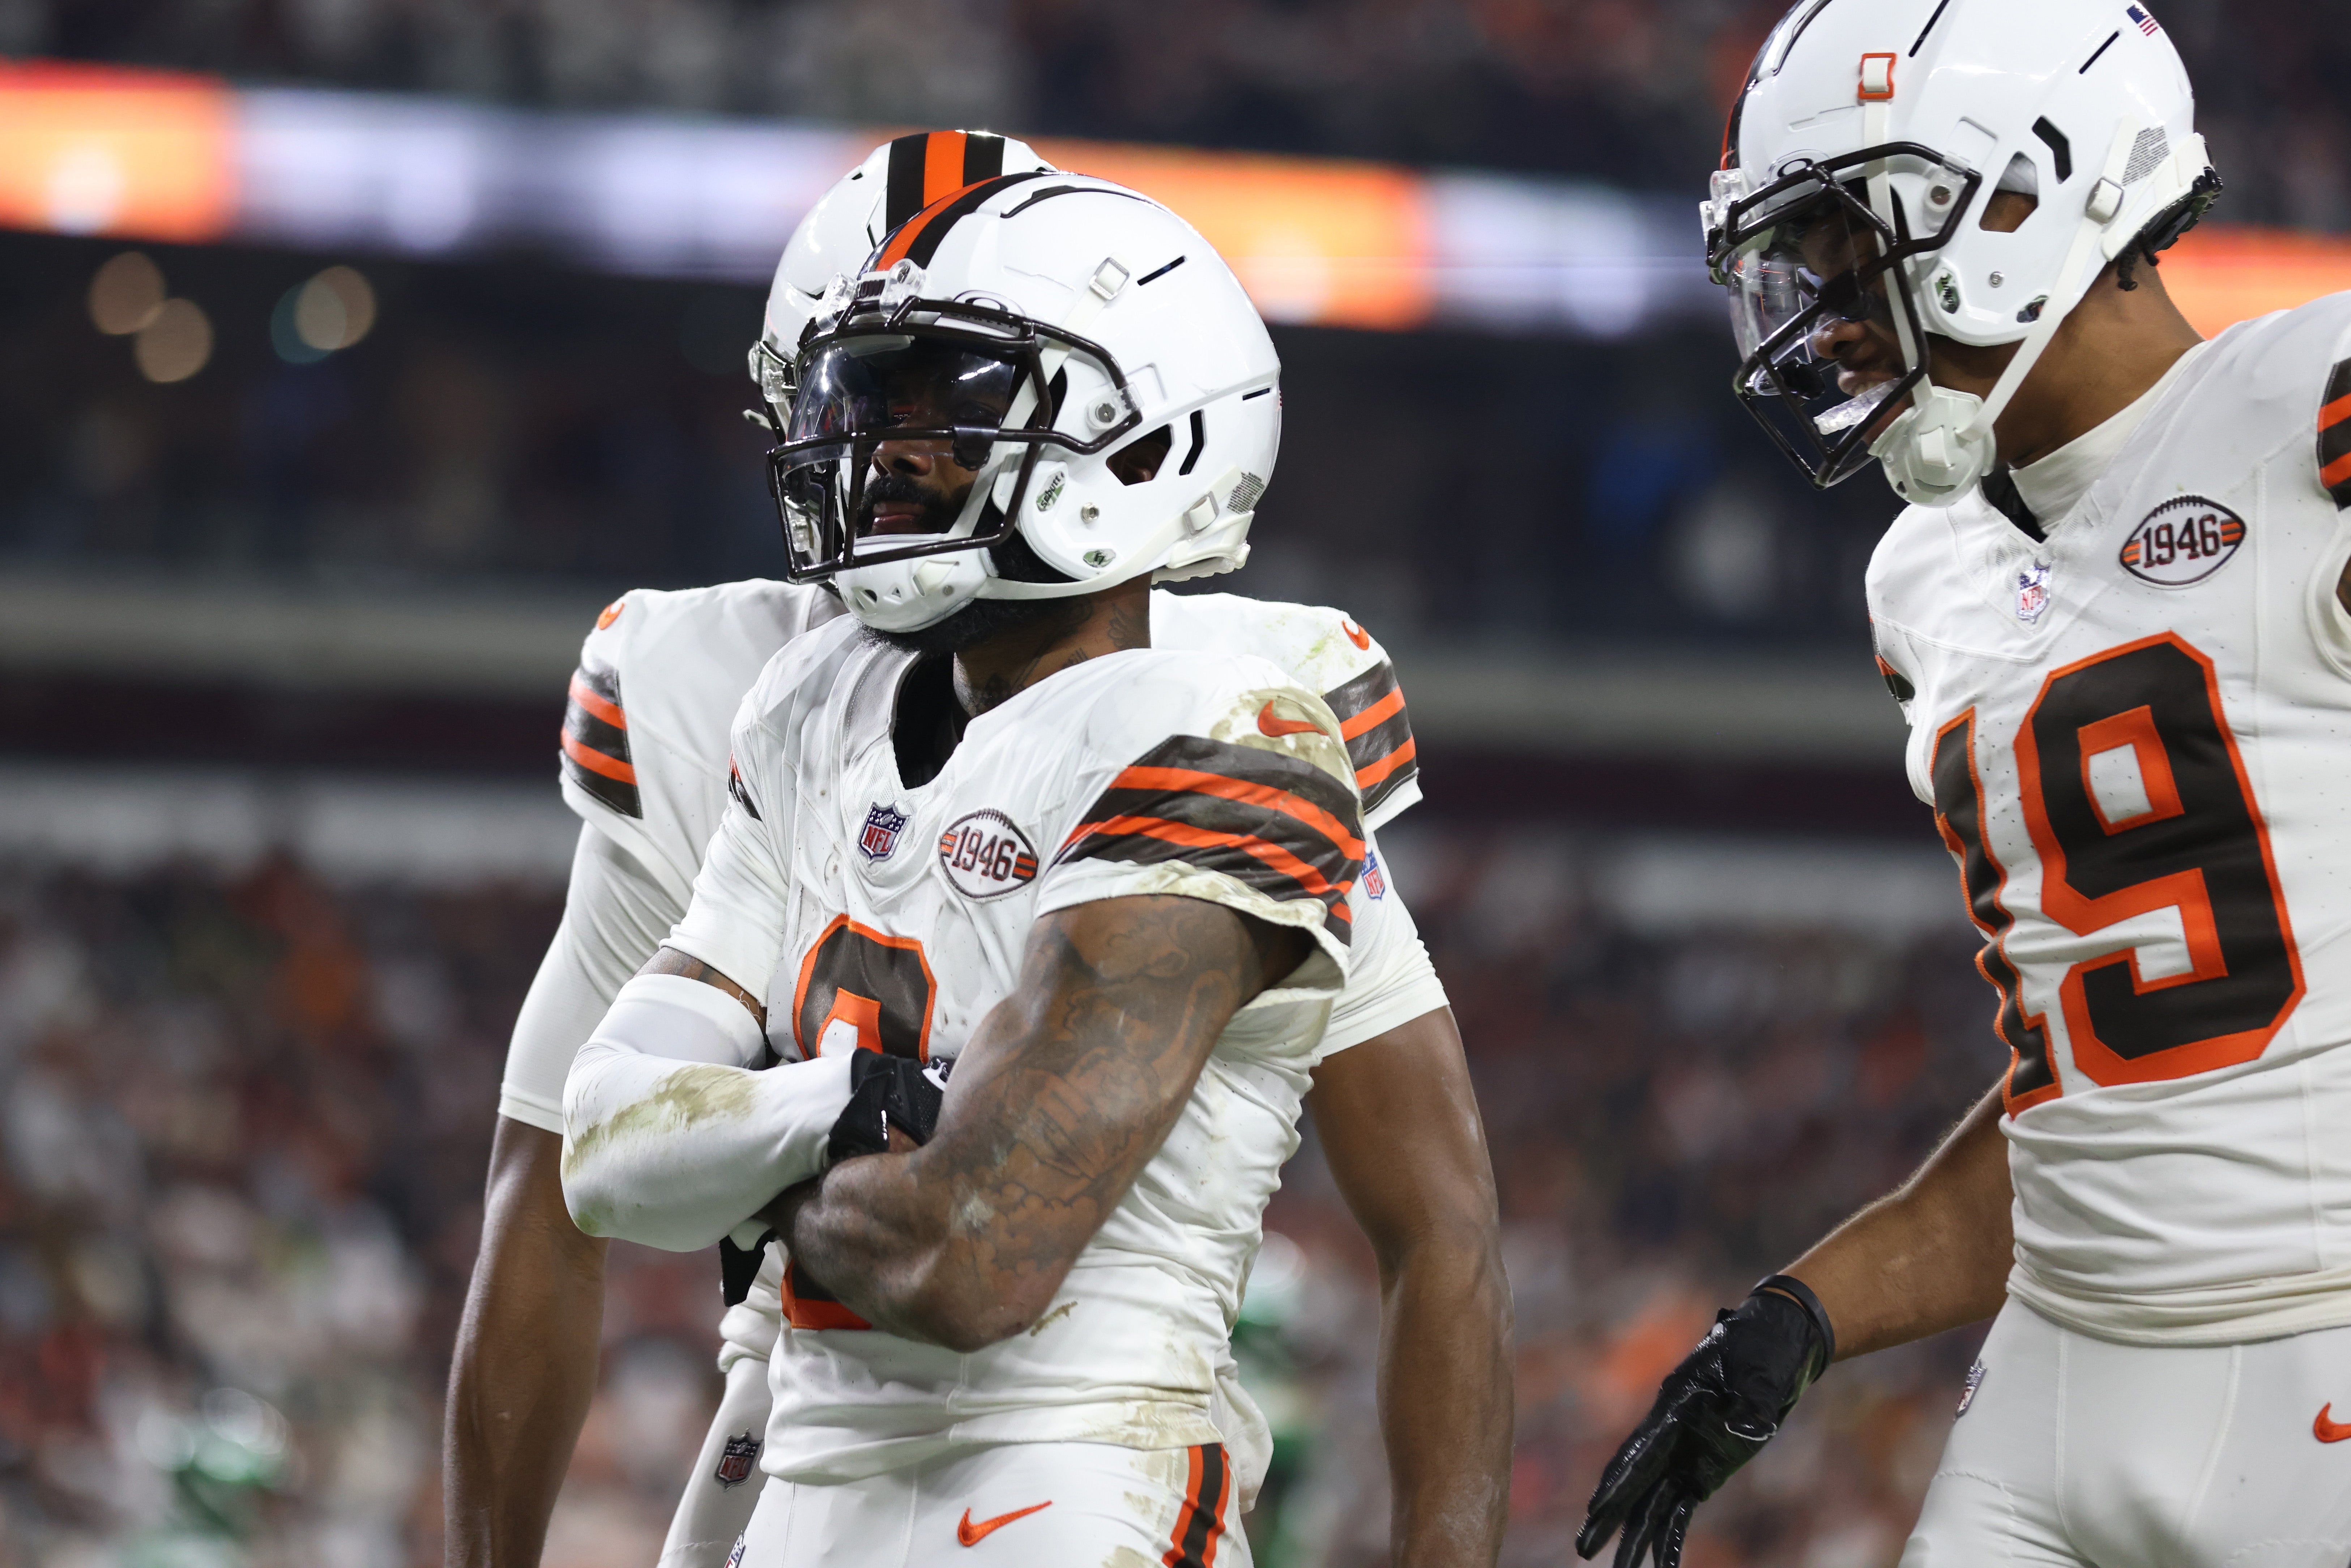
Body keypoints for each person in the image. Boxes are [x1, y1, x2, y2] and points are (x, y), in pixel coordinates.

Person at [444, 136, 1511, 1568]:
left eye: (945, 405)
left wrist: (738, 1142)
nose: (881, 455)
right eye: (853, 401)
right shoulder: (768, 696)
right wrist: (849, 1110)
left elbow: (981, 1245)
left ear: (1139, 429)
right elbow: (585, 1154)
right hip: (805, 1422)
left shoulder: (1244, 715)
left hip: (1069, 1468)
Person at [1576, 1, 2351, 1565]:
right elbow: (2112, 1075)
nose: (1817, 315)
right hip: (2056, 1375)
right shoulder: (1923, 576)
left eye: (1842, 248)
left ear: (2020, 194)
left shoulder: (2311, 404)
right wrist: (1806, 1312)